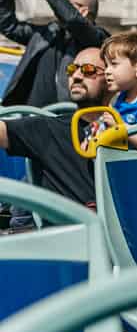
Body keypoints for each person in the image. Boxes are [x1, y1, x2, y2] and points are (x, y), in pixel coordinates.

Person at [0, 47, 111, 225]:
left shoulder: (135, 133)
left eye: (88, 70)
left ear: (111, 78)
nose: (76, 76)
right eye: (72, 69)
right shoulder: (49, 128)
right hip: (68, 236)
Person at [0, 0, 109, 107]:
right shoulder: (48, 32)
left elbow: (72, 19)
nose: (57, 5)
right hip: (27, 113)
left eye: (65, 2)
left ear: (83, 11)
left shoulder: (97, 38)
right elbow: (8, 26)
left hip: (67, 116)